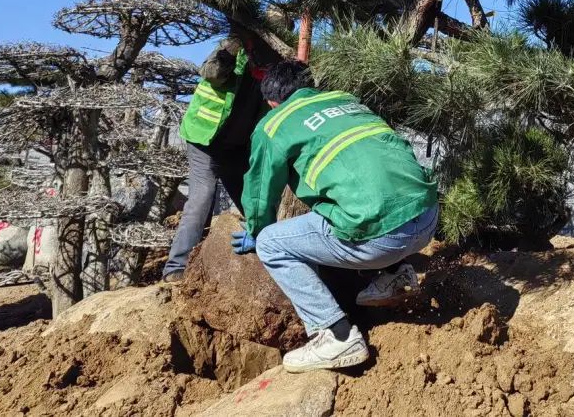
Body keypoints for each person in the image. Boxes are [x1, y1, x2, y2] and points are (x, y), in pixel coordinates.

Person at [231, 60, 439, 373]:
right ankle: (396, 274)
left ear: (272, 102)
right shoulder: (345, 100)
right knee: (359, 196)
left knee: (273, 244)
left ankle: (335, 335)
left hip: (381, 237)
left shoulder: (273, 124)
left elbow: (261, 192)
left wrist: (258, 231)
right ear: (310, 86)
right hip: (427, 216)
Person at [162, 36, 265, 282]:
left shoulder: (274, 63)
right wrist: (230, 49)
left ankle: (269, 255)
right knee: (202, 197)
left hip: (238, 144)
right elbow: (211, 72)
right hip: (205, 138)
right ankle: (177, 267)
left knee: (252, 200)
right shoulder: (234, 48)